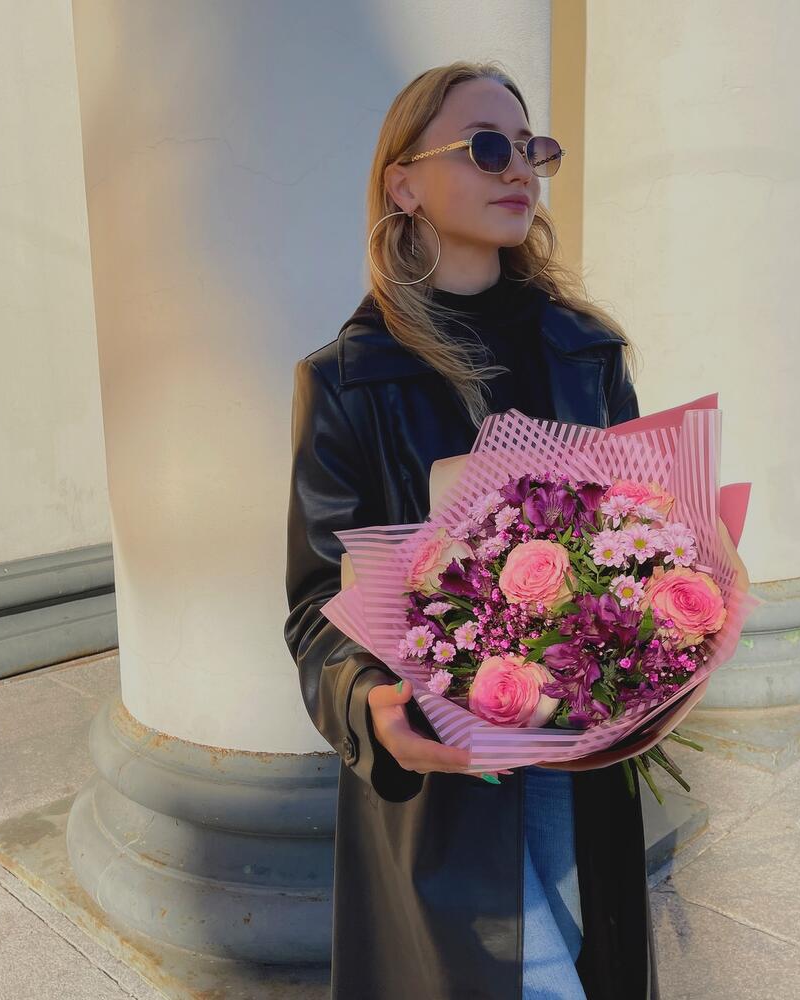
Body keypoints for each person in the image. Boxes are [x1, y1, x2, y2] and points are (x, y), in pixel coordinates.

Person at [284, 61, 660, 1000]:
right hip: (447, 769)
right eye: (488, 147)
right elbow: (317, 601)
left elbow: (648, 533)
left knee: (581, 961)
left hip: (581, 748)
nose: (520, 168)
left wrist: (667, 626)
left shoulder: (587, 351)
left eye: (533, 149)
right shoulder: (346, 380)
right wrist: (366, 699)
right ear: (403, 184)